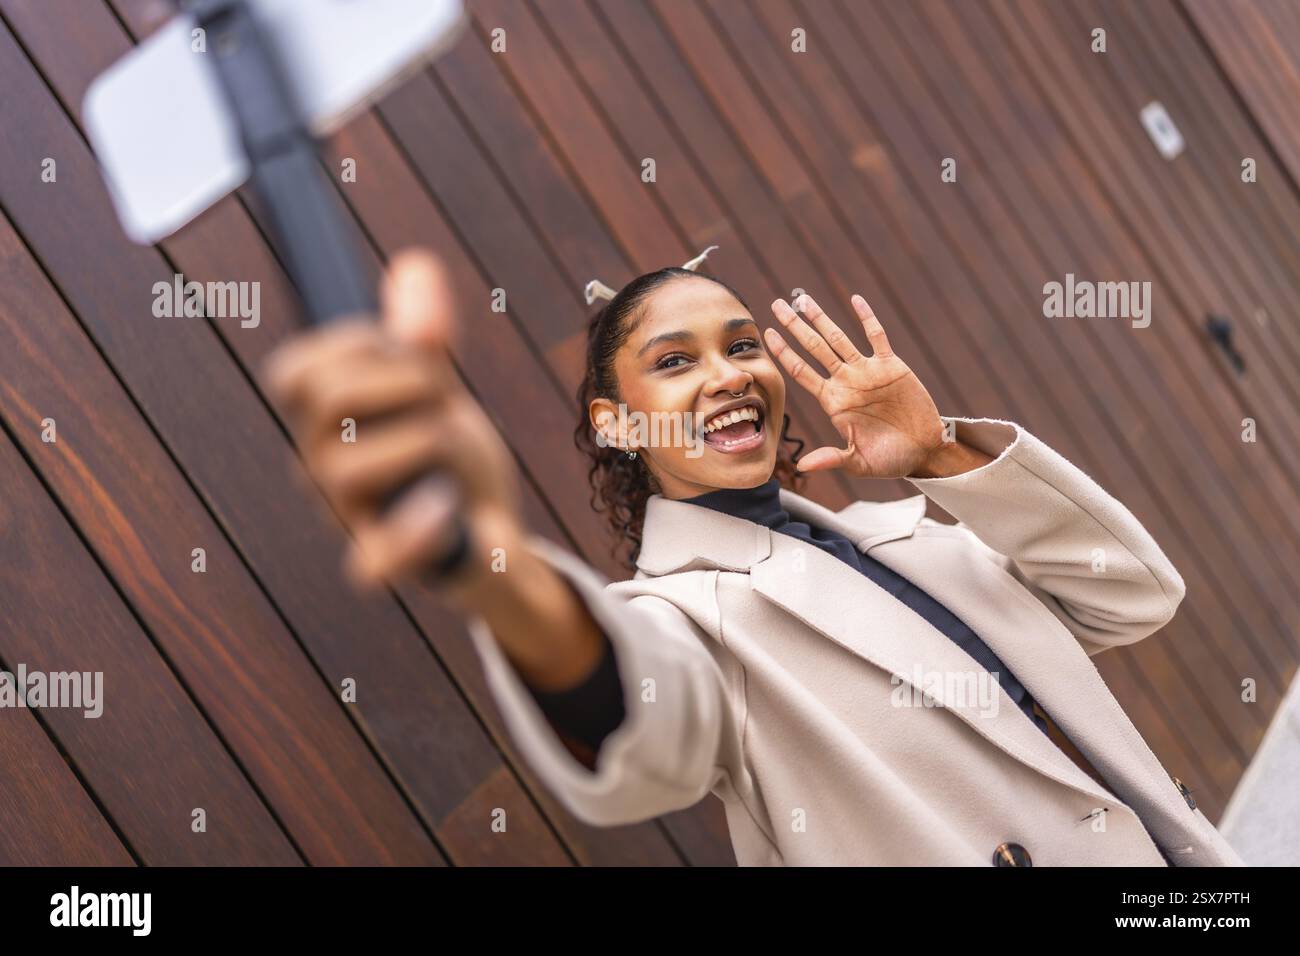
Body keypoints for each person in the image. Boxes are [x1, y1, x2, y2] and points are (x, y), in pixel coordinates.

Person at [264, 246, 1244, 867]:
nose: (727, 374)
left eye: (741, 345)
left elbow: (1132, 593)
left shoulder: (904, 533)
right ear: (614, 424)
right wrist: (490, 562)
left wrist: (941, 451)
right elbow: (640, 716)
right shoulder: (682, 616)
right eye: (675, 360)